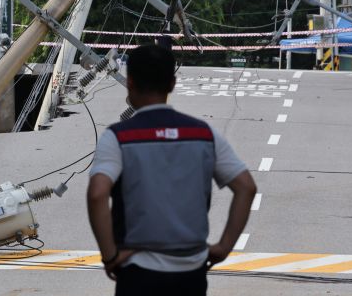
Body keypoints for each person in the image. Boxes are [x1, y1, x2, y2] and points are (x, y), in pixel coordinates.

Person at [87, 44, 257, 295]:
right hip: (190, 273)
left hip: (138, 271)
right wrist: (223, 246)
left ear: (130, 82)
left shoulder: (117, 137)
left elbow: (97, 194)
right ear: (172, 84)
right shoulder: (203, 134)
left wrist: (110, 255)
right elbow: (246, 187)